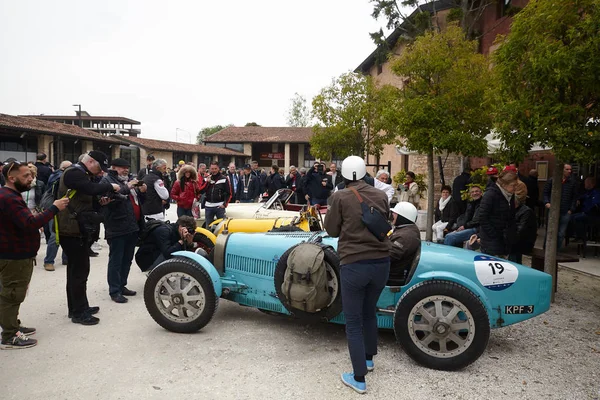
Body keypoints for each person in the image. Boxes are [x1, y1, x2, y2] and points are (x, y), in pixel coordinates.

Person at [324, 155, 390, 394]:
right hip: (382, 262)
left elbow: (330, 229)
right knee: (369, 311)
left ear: (343, 175)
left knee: (352, 321)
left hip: (354, 262)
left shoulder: (339, 196)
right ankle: (369, 359)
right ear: (364, 173)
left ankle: (359, 378)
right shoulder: (381, 195)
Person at [0, 161, 69, 349]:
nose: (30, 179)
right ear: (11, 178)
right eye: (25, 176)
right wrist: (54, 208)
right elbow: (29, 223)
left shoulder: (10, 195)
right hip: (14, 256)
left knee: (14, 293)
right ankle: (9, 335)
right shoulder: (9, 198)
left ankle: (12, 324)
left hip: (17, 254)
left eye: (31, 175)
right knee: (12, 294)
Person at [56, 151, 120, 325]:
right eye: (99, 167)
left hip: (76, 228)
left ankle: (78, 307)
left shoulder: (81, 174)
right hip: (71, 229)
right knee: (79, 272)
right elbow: (90, 189)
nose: (100, 172)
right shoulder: (74, 172)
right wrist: (110, 187)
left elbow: (85, 198)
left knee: (76, 271)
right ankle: (79, 312)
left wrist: (100, 203)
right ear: (90, 161)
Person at [100, 158, 147, 304]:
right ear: (113, 168)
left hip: (132, 225)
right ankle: (114, 291)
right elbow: (112, 197)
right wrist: (128, 186)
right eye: (122, 168)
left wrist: (142, 191)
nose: (125, 170)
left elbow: (138, 201)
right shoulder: (107, 181)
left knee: (127, 259)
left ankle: (122, 285)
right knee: (116, 260)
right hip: (116, 226)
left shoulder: (128, 181)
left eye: (127, 167)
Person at [478, 169, 518, 257]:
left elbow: (511, 216)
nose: (515, 188)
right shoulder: (490, 195)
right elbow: (482, 217)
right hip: (491, 240)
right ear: (504, 185)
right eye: (513, 186)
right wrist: (494, 234)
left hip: (504, 239)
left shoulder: (510, 195)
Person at [43, 160, 72, 271]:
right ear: (64, 169)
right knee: (55, 235)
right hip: (55, 208)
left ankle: (66, 258)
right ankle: (49, 261)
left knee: (67, 233)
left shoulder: (57, 175)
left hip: (65, 208)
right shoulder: (57, 177)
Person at [543, 164, 578, 249]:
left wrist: (571, 209)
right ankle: (547, 249)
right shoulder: (552, 181)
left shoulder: (572, 183)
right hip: (553, 209)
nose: (569, 171)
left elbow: (574, 197)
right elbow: (545, 193)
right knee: (550, 231)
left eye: (570, 169)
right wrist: (547, 202)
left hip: (565, 210)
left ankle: (557, 250)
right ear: (562, 170)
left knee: (561, 233)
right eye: (567, 169)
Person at [389, 202, 421, 284]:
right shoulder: (407, 229)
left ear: (403, 217)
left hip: (392, 274)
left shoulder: (405, 236)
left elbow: (388, 256)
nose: (392, 215)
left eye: (395, 214)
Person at [508, 181, 537, 264]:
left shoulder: (526, 212)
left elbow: (522, 230)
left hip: (525, 241)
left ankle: (514, 265)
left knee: (512, 246)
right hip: (516, 238)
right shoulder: (512, 210)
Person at [201, 161, 231, 227]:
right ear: (209, 169)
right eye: (212, 169)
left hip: (219, 206)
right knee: (208, 226)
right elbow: (201, 191)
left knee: (222, 226)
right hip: (208, 206)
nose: (214, 170)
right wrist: (207, 183)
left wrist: (225, 204)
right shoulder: (206, 178)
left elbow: (229, 193)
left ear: (218, 168)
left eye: (215, 168)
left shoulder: (224, 179)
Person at [572, 177, 600, 243]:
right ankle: (578, 235)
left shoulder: (596, 193)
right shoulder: (588, 192)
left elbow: (595, 205)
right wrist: (578, 199)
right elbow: (582, 196)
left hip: (593, 215)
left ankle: (582, 237)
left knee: (576, 218)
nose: (585, 184)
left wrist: (586, 211)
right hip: (586, 213)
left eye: (586, 183)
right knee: (571, 217)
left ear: (591, 184)